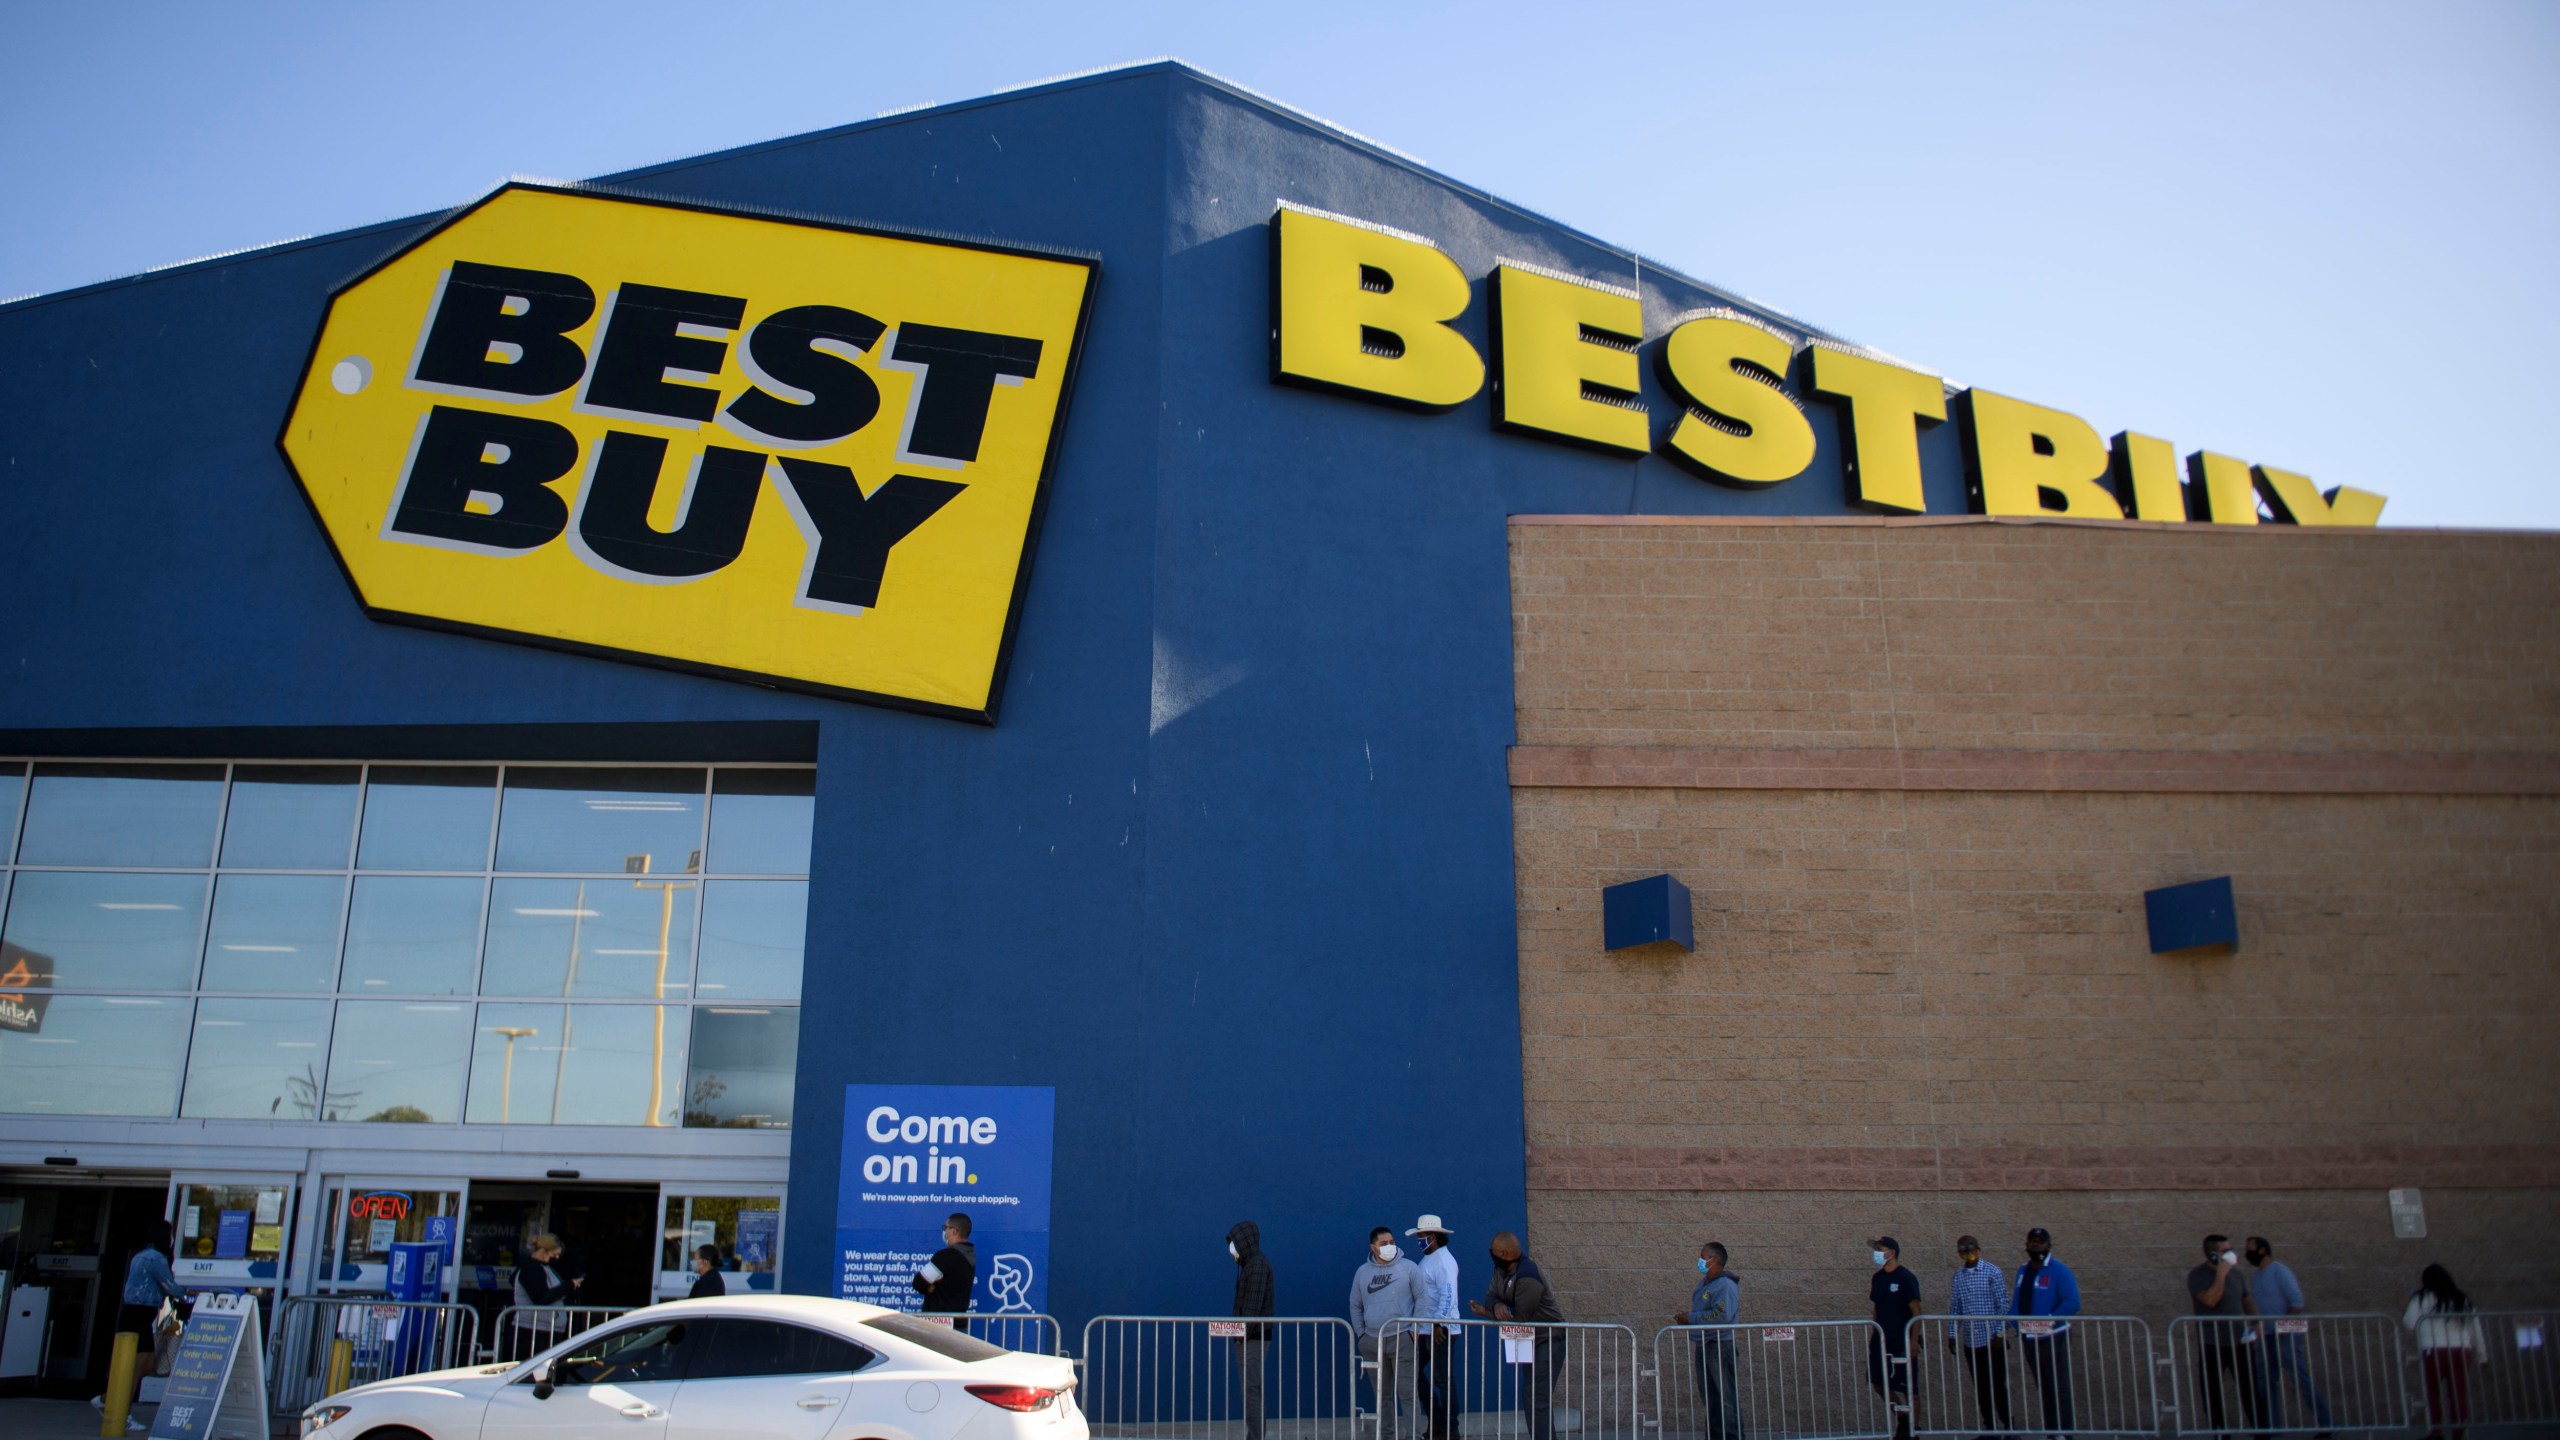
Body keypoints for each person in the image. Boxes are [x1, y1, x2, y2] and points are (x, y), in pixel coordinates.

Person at [1470, 1233, 1562, 1440]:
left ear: (1503, 1253)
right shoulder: (1501, 1270)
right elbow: (1491, 1295)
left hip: (1548, 1339)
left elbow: (1520, 1318)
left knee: (1537, 1396)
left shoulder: (1528, 1276)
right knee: (1530, 1395)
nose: (1491, 1255)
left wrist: (1486, 1312)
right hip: (1529, 1339)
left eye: (1493, 1251)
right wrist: (1497, 1305)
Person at [97, 1222, 184, 1431]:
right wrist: (189, 1293)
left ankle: (107, 1399)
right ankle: (120, 1412)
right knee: (134, 1367)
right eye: (170, 1235)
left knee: (145, 1364)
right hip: (139, 1313)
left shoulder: (142, 1256)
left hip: (138, 1313)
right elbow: (170, 1286)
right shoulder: (155, 1258)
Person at [2243, 1237, 2332, 1433]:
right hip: (2266, 1335)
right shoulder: (2255, 1277)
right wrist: (2253, 1330)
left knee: (2301, 1379)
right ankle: (2273, 1428)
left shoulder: (2280, 1271)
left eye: (2250, 1249)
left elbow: (2297, 1302)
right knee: (2265, 1383)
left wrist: (2283, 1327)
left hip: (2286, 1335)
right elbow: (2257, 1308)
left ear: (2263, 1250)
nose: (2246, 1254)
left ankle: (2327, 1423)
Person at [2187, 1233, 2270, 1439]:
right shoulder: (2198, 1275)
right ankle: (2220, 1434)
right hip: (2212, 1343)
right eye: (2226, 1251)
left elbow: (2247, 1299)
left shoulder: (2236, 1273)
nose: (2232, 1254)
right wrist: (2220, 1274)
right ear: (2213, 1254)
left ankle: (2262, 1432)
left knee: (2250, 1388)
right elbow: (2210, 1300)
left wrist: (2257, 1321)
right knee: (2212, 1392)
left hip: (2239, 1341)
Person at [1351, 1226, 1430, 1440]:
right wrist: (1361, 1335)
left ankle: (1413, 1435)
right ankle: (1386, 1435)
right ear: (1373, 1247)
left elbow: (1422, 1298)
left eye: (1392, 1242)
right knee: (1381, 1396)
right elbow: (1355, 1304)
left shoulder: (1409, 1268)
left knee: (1407, 1393)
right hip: (1372, 1341)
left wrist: (1414, 1330)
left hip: (1402, 1338)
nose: (1390, 1247)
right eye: (1384, 1244)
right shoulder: (1362, 1272)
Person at [2404, 1263, 2484, 1440]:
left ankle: (2436, 1432)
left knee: (2432, 1393)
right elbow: (2475, 1328)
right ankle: (2459, 1433)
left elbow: (2409, 1323)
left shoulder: (2421, 1298)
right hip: (2461, 1350)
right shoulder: (2461, 1298)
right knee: (2458, 1394)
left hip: (2433, 1350)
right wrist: (2482, 1355)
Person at [2013, 1227, 2081, 1436]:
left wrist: (2049, 1320)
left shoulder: (2059, 1270)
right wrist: (2013, 1323)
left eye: (2039, 1242)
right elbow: (2018, 1300)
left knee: (2059, 1387)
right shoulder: (2023, 1270)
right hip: (2029, 1336)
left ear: (2048, 1245)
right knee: (2044, 1387)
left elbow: (2072, 1302)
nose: (2035, 1245)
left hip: (2053, 1337)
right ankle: (2053, 1431)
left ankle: (2065, 1432)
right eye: (2032, 1241)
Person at [1674, 1241, 1741, 1440]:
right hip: (1704, 1344)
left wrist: (1691, 1318)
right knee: (1710, 1399)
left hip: (1720, 1346)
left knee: (1725, 1399)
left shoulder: (1725, 1285)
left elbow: (1722, 1316)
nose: (1701, 1261)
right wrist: (1686, 1320)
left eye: (1704, 1257)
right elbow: (1704, 1312)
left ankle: (1731, 1436)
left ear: (1716, 1260)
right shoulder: (1704, 1284)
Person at [1946, 1235, 2012, 1439]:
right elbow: (1955, 1306)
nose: (1968, 1254)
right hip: (1971, 1340)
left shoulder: (1992, 1272)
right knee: (1982, 1386)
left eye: (1971, 1249)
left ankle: (2010, 1427)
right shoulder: (1959, 1275)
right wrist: (1951, 1333)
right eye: (1964, 1250)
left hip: (1992, 1340)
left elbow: (2002, 1304)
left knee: (1998, 1385)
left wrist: (2000, 1332)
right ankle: (1989, 1428)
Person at [1405, 1215, 1462, 1440]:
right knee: (1415, 1374)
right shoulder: (1428, 1259)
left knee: (1443, 1380)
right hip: (1426, 1329)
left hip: (1440, 1330)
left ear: (1433, 1237)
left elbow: (1448, 1293)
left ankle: (1451, 1428)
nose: (1419, 1240)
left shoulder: (1443, 1260)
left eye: (1421, 1236)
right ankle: (1436, 1418)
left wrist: (1439, 1322)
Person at [1867, 1237, 1920, 1439]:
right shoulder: (1877, 1278)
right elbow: (1876, 1307)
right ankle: (1902, 1416)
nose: (1877, 1252)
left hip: (1902, 1339)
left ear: (1892, 1252)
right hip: (1882, 1340)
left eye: (1881, 1249)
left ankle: (1914, 1430)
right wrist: (1874, 1333)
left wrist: (1915, 1339)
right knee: (1879, 1384)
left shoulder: (1906, 1277)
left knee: (1910, 1389)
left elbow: (1916, 1309)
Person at [1229, 1222, 1276, 1440]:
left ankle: (1255, 1437)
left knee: (1251, 1391)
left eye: (1234, 1243)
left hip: (1252, 1340)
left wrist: (1240, 1336)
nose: (1232, 1249)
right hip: (1249, 1338)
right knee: (1249, 1391)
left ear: (1243, 1241)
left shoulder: (1256, 1266)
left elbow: (1251, 1310)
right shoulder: (1250, 1264)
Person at [511, 1232, 582, 1354]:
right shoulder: (531, 1268)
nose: (556, 1258)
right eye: (554, 1255)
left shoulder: (543, 1268)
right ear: (543, 1251)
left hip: (544, 1328)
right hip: (534, 1330)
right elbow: (542, 1297)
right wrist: (569, 1285)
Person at [913, 1212, 976, 1313]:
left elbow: (918, 1282)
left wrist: (929, 1288)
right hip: (959, 1321)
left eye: (946, 1227)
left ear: (954, 1231)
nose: (944, 1231)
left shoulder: (946, 1256)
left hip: (937, 1323)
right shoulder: (970, 1255)